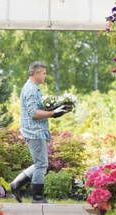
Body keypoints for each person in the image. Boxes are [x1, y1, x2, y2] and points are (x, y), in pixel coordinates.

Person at [9, 61, 71, 203]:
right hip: (34, 131)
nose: (45, 75)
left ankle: (16, 184)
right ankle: (37, 197)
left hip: (36, 130)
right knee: (41, 164)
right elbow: (34, 113)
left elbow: (37, 109)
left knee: (40, 163)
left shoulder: (33, 88)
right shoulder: (31, 89)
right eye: (43, 73)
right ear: (36, 73)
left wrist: (55, 108)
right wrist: (53, 114)